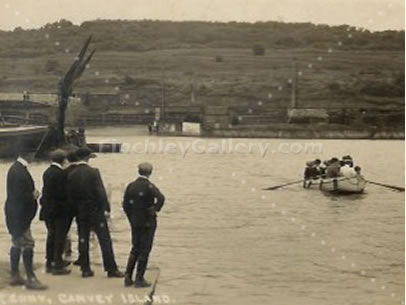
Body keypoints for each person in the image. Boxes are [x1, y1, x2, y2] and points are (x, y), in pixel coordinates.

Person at [65, 148, 124, 278]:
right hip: (96, 211)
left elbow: (70, 196)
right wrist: (106, 208)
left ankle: (85, 269)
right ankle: (111, 269)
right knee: (105, 240)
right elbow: (100, 192)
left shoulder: (71, 174)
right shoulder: (93, 172)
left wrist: (75, 211)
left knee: (83, 239)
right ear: (87, 158)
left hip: (81, 212)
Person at [5, 146, 47, 289]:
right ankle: (31, 278)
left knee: (17, 242)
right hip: (19, 214)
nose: (34, 156)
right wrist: (33, 196)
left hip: (14, 213)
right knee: (28, 243)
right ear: (29, 154)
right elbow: (20, 196)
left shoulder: (15, 169)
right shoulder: (20, 172)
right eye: (33, 153)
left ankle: (15, 274)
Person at [123, 162, 165, 287]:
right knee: (145, 249)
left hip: (135, 221)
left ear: (138, 171)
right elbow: (161, 198)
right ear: (150, 172)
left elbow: (125, 204)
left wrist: (131, 216)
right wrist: (155, 209)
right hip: (147, 221)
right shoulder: (149, 186)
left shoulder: (131, 185)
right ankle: (139, 278)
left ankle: (128, 276)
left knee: (135, 248)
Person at [39, 149, 72, 275]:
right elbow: (62, 194)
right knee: (60, 237)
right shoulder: (61, 174)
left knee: (51, 236)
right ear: (63, 160)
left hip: (48, 210)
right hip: (59, 211)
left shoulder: (47, 172)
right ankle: (58, 264)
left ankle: (50, 262)